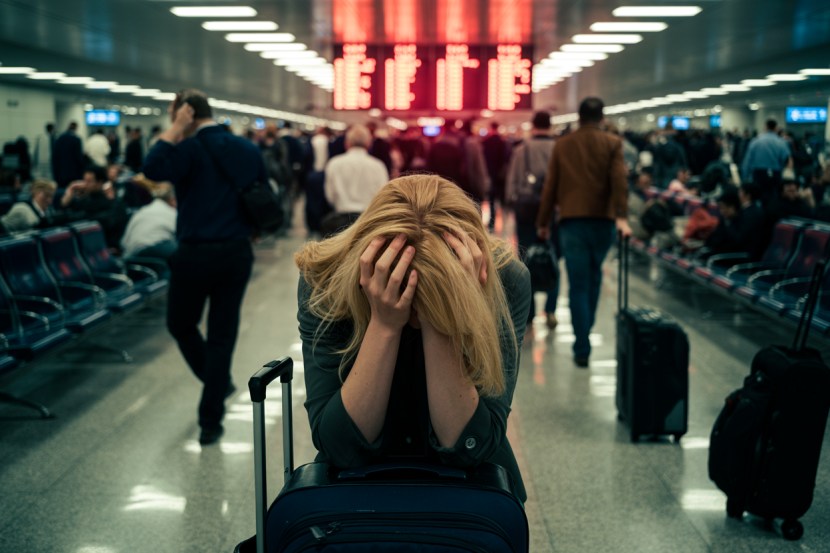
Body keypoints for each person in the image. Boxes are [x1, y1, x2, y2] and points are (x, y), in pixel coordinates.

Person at [295, 174, 531, 503]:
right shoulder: (326, 281)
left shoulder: (504, 279)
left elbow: (468, 445)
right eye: (408, 289)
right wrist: (385, 325)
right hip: (355, 498)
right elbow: (340, 447)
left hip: (472, 493)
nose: (414, 318)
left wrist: (445, 314)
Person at [143, 88, 268, 446]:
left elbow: (151, 167)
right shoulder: (246, 148)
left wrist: (174, 131)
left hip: (195, 253)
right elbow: (261, 189)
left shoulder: (187, 148)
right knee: (222, 334)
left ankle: (216, 384)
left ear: (184, 112)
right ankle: (211, 417)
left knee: (180, 324)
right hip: (236, 252)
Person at [536, 97, 631, 368]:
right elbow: (618, 181)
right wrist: (622, 217)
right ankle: (585, 326)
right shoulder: (613, 144)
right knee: (594, 274)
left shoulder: (562, 145)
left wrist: (543, 222)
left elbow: (550, 186)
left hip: (572, 221)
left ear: (578, 118)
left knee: (577, 283)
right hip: (603, 222)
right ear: (602, 117)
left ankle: (582, 344)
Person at [505, 110, 558, 331]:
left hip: (526, 211)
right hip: (553, 212)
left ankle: (529, 312)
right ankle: (551, 310)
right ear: (551, 125)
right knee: (552, 257)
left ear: (533, 125)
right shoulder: (559, 149)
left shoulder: (521, 150)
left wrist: (511, 203)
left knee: (526, 258)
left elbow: (512, 183)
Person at [322, 124, 389, 235]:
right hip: (368, 222)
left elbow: (330, 195)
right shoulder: (378, 166)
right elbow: (384, 196)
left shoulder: (334, 163)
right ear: (369, 143)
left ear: (347, 143)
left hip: (340, 221)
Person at [59, 165, 129, 249]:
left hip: (106, 245)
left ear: (99, 183)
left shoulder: (110, 202)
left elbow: (105, 222)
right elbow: (64, 208)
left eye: (89, 181)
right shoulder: (86, 199)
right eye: (84, 180)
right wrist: (70, 189)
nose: (85, 184)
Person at [120, 182, 177, 262]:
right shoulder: (171, 212)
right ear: (173, 200)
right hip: (151, 250)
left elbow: (123, 242)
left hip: (130, 256)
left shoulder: (143, 210)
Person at [741, 119, 791, 206]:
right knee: (773, 199)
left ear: (765, 127)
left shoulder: (756, 141)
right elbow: (785, 159)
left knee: (758, 198)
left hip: (759, 174)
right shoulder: (781, 142)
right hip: (775, 174)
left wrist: (745, 178)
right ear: (776, 128)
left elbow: (747, 162)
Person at [52, 122, 85, 188]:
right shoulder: (76, 140)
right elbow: (79, 158)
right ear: (76, 128)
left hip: (60, 173)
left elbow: (55, 157)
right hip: (73, 173)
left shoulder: (59, 139)